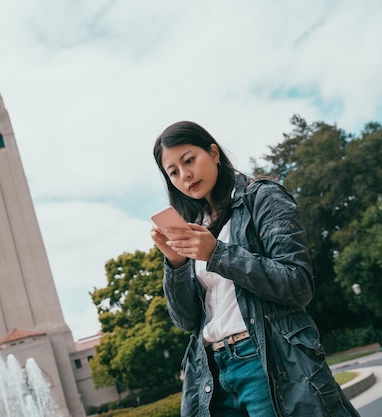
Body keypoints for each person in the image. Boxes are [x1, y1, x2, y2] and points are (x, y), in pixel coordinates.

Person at [150, 121, 359, 417]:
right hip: (212, 376)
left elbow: (297, 284)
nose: (185, 175)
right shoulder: (195, 228)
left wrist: (217, 254)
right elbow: (185, 320)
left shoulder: (262, 197)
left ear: (213, 153)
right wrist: (176, 263)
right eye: (173, 172)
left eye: (189, 160)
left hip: (266, 363)